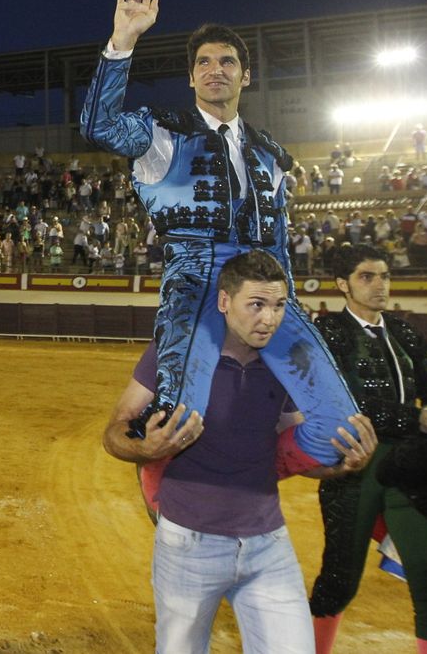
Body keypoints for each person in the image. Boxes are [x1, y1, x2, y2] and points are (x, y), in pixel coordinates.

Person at [80, 0, 356, 465]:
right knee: (178, 419)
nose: (215, 70)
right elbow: (97, 125)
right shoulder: (162, 133)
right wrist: (123, 41)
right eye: (203, 62)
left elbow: (278, 238)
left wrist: (286, 301)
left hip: (266, 285)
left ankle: (252, 475)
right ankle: (170, 492)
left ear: (244, 76)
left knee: (341, 432)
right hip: (197, 284)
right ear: (190, 77)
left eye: (227, 61)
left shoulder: (271, 153)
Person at [102, 250, 375, 654]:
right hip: (188, 543)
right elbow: (114, 431)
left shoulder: (286, 363)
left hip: (267, 540)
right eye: (257, 304)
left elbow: (291, 453)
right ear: (225, 302)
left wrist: (343, 463)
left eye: (280, 305)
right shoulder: (176, 351)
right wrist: (144, 446)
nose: (270, 318)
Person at [309, 244, 427, 653]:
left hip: (409, 468)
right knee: (339, 579)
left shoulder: (405, 332)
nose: (380, 285)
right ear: (342, 284)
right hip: (353, 466)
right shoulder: (328, 334)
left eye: (384, 276)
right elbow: (345, 402)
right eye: (367, 276)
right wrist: (417, 419)